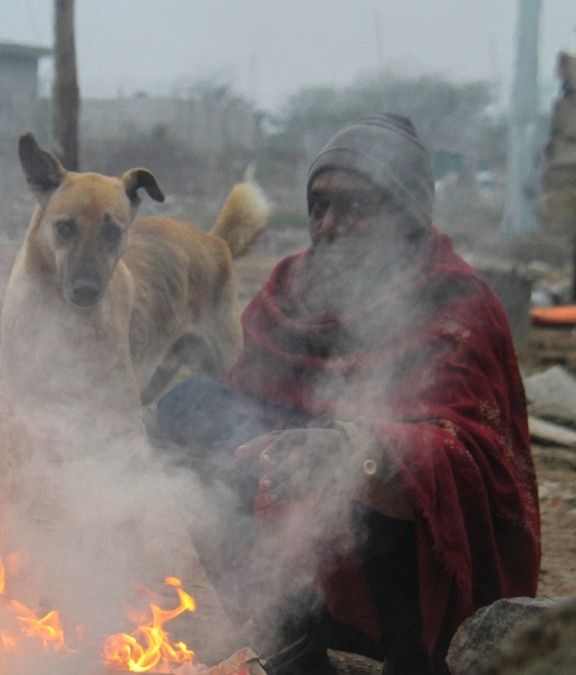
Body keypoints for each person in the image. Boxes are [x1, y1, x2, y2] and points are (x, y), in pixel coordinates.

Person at [153, 114, 540, 674]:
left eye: (354, 206)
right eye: (318, 206)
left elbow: (469, 456)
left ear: (408, 214)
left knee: (386, 467)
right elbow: (243, 413)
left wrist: (353, 450)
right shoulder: (289, 291)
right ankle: (291, 641)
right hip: (303, 561)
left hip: (420, 585)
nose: (328, 225)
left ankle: (415, 662)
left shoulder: (456, 302)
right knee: (190, 408)